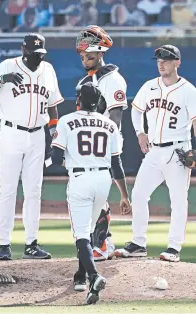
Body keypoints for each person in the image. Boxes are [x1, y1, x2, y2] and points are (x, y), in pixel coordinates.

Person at [0, 33, 64, 260]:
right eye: (33, 53)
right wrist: (2, 80)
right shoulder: (8, 65)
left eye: (40, 54)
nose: (37, 58)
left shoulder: (48, 69)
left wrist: (53, 134)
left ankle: (31, 243)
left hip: (37, 135)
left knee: (34, 192)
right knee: (8, 190)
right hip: (11, 132)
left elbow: (53, 105)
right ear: (23, 50)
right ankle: (4, 244)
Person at [48, 82, 129, 304]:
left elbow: (55, 158)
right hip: (104, 180)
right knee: (90, 229)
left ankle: (93, 276)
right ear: (99, 103)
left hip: (80, 179)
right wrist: (124, 195)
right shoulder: (109, 124)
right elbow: (117, 163)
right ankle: (81, 276)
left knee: (81, 234)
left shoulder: (67, 120)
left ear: (78, 101)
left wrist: (50, 161)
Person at [115, 45, 196, 262]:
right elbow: (136, 109)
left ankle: (174, 247)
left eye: (167, 59)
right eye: (159, 59)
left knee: (178, 200)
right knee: (139, 195)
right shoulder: (150, 86)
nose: (161, 63)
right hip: (153, 151)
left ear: (177, 63)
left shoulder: (188, 91)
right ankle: (138, 243)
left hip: (178, 150)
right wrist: (140, 132)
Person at [74, 25, 130, 268]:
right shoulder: (87, 80)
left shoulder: (113, 79)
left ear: (100, 53)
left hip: (104, 145)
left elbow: (115, 116)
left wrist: (106, 143)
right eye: (83, 56)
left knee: (98, 195)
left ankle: (103, 242)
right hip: (86, 146)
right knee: (90, 195)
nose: (85, 60)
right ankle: (101, 240)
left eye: (90, 55)